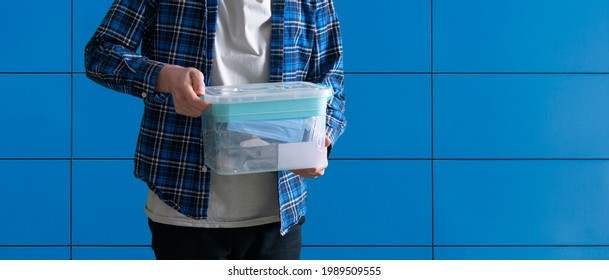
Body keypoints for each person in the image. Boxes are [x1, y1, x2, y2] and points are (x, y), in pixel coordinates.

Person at [84, 0, 345, 260]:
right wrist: (165, 77)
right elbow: (100, 53)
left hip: (278, 212)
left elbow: (331, 83)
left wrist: (320, 143)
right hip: (182, 202)